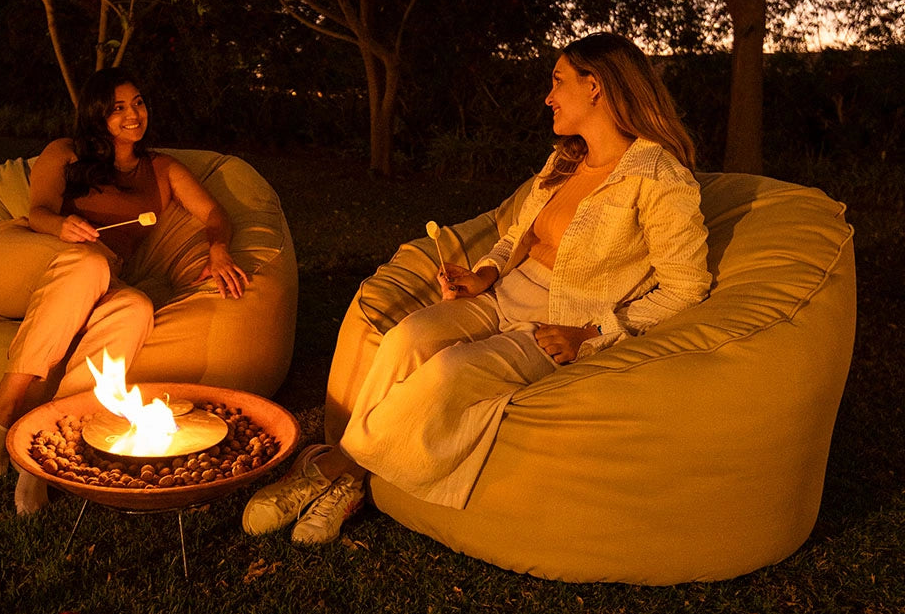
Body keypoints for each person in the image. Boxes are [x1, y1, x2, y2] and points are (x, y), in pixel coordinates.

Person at [241, 32, 712, 546]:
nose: (547, 96)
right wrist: (484, 273)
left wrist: (594, 332)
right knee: (407, 338)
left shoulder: (658, 177)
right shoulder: (565, 162)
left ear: (595, 86)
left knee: (447, 372)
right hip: (503, 295)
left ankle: (331, 470)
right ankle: (349, 477)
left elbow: (686, 288)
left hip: (555, 323)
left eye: (558, 82)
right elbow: (517, 235)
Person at [0, 67, 250, 514]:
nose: (132, 114)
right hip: (27, 255)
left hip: (97, 273)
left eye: (137, 102)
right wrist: (62, 226)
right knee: (87, 261)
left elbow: (214, 213)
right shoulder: (64, 153)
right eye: (118, 107)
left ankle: (45, 440)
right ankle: (4, 403)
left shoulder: (162, 169)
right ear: (98, 114)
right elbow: (38, 210)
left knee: (136, 307)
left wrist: (217, 249)